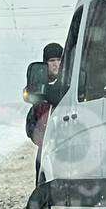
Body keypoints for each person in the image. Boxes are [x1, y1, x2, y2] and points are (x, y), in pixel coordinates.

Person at [25, 42, 65, 180]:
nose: (56, 64)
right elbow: (32, 124)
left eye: (59, 60)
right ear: (45, 64)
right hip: (47, 146)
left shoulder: (71, 84)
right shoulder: (40, 88)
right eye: (52, 60)